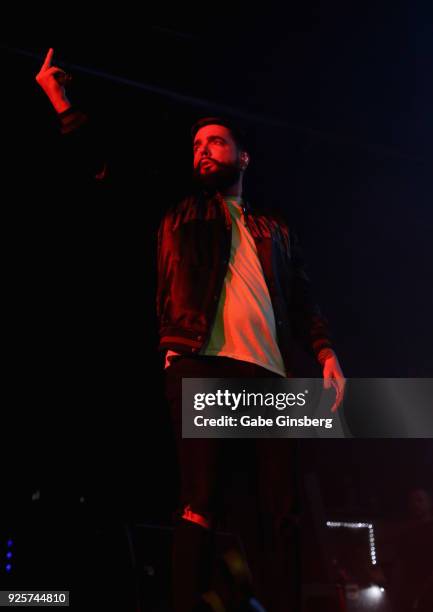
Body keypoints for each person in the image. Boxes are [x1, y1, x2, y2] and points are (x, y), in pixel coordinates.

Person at [36, 48, 346, 611]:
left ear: (244, 157)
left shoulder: (275, 229)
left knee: (281, 510)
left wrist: (325, 351)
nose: (204, 150)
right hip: (199, 362)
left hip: (270, 376)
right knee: (200, 500)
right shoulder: (175, 212)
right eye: (197, 145)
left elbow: (302, 298)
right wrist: (61, 102)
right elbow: (102, 169)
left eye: (216, 142)